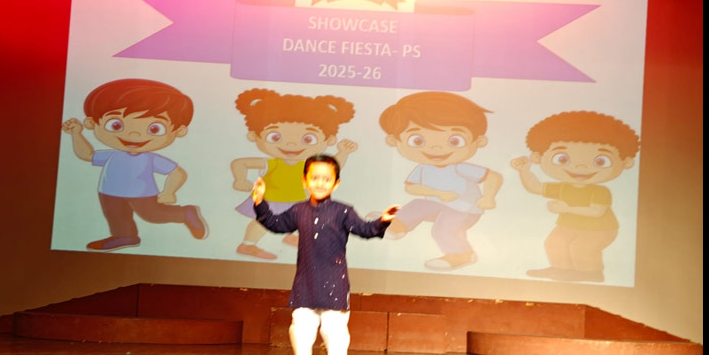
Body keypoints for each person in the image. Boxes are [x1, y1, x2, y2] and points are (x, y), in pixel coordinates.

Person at [251, 154, 399, 355]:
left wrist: (383, 220)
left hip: (334, 281)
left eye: (326, 179)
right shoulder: (299, 210)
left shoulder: (343, 211)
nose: (320, 183)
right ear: (305, 181)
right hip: (305, 282)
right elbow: (276, 224)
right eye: (315, 177)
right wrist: (260, 202)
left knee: (334, 330)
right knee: (301, 328)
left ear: (336, 183)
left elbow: (365, 229)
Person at [61, 78, 208, 252]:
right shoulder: (112, 155)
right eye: (116, 125)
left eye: (154, 128)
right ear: (92, 123)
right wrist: (76, 134)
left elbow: (177, 172)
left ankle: (185, 213)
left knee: (153, 215)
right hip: (109, 191)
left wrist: (169, 192)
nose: (134, 134)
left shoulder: (149, 158)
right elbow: (87, 155)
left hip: (142, 193)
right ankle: (125, 236)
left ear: (179, 131)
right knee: (115, 216)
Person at [510, 111, 640, 282]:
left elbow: (596, 211)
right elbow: (534, 187)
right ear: (538, 157)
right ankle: (561, 270)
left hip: (600, 229)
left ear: (626, 162)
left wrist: (567, 208)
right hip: (568, 225)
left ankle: (591, 274)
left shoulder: (600, 191)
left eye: (600, 161)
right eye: (562, 159)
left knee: (582, 247)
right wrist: (524, 171)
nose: (580, 167)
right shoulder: (562, 187)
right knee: (554, 243)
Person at [378, 91, 502, 271]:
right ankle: (398, 227)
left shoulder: (460, 167)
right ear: (394, 140)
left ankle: (462, 254)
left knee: (442, 229)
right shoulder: (423, 168)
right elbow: (412, 188)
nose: (436, 147)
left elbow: (493, 176)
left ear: (479, 141)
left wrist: (488, 197)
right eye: (417, 140)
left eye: (454, 140)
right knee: (417, 205)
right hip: (438, 205)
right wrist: (437, 193)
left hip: (464, 209)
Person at [232, 88, 358, 260]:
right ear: (254, 136)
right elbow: (240, 163)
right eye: (275, 137)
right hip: (271, 200)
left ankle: (291, 236)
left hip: (297, 200)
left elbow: (332, 166)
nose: (291, 144)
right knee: (261, 224)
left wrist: (343, 152)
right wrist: (240, 179)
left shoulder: (307, 164)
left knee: (303, 220)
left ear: (328, 140)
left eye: (308, 139)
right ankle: (247, 245)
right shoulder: (273, 163)